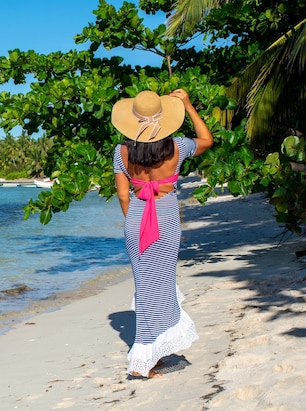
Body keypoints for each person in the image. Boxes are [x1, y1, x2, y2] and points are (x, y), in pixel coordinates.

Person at [111, 89, 213, 378]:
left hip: (137, 218)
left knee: (145, 286)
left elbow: (122, 195)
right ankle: (144, 355)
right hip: (166, 218)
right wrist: (188, 105)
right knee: (161, 284)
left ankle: (153, 351)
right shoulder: (178, 147)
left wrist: (135, 221)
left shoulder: (121, 152)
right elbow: (207, 140)